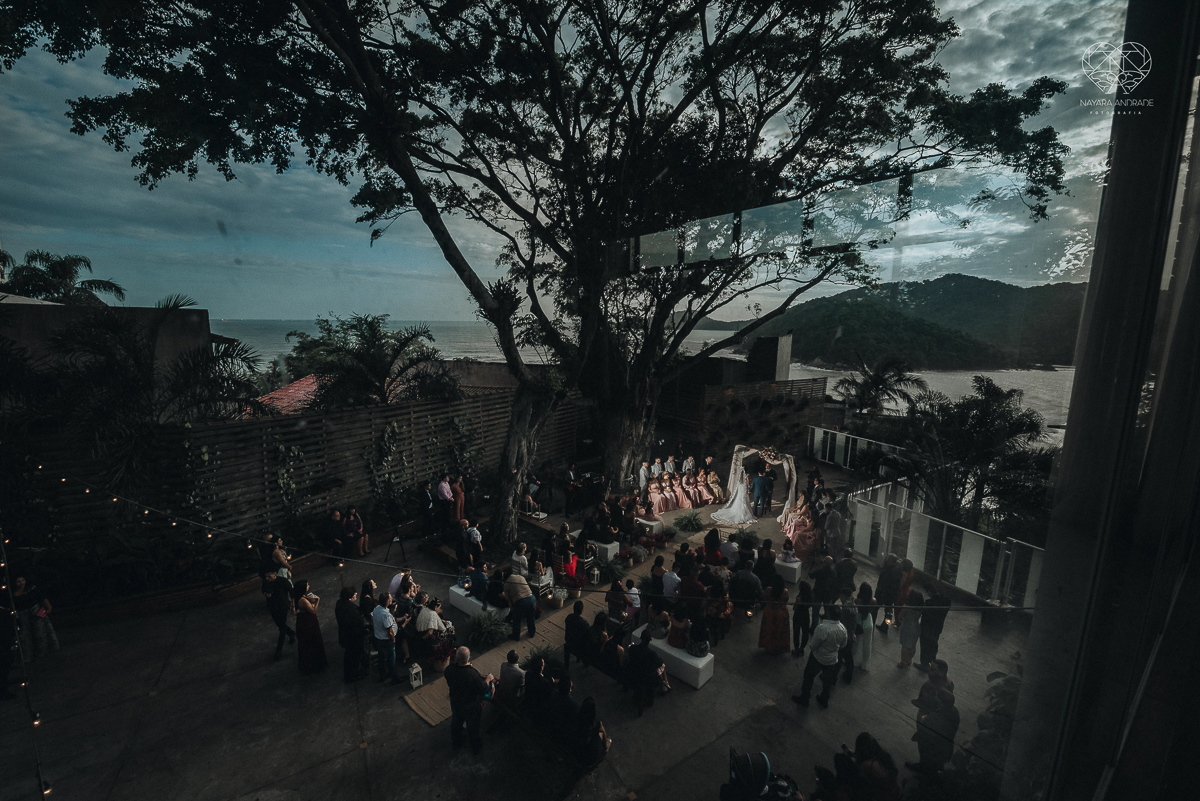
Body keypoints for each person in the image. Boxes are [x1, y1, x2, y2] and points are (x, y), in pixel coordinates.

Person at [792, 605, 848, 708]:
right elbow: (843, 645)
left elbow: (813, 645)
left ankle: (804, 699)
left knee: (808, 677)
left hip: (818, 658)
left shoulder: (822, 628)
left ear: (829, 614)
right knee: (827, 681)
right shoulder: (843, 629)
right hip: (832, 660)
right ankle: (824, 699)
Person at [445, 647, 495, 754]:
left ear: (456, 658)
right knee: (472, 726)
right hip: (471, 706)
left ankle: (457, 742)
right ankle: (475, 746)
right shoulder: (472, 674)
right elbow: (483, 689)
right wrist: (488, 679)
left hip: (456, 702)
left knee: (456, 722)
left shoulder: (449, 670)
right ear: (468, 658)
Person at [909, 688, 960, 774]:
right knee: (935, 761)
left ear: (942, 702)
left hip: (932, 743)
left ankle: (924, 772)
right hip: (945, 744)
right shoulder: (954, 711)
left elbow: (927, 724)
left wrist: (924, 718)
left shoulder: (939, 717)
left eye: (937, 697)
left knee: (928, 758)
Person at [292, 579, 327, 674]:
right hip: (308, 621)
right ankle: (314, 664)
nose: (308, 586)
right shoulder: (303, 600)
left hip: (303, 620)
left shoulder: (298, 597)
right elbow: (312, 611)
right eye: (307, 585)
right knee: (312, 640)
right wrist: (317, 600)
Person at [336, 586, 369, 683]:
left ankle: (351, 673)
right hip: (353, 639)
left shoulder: (340, 604)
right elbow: (357, 626)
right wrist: (365, 630)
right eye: (354, 595)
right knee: (354, 657)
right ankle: (352, 676)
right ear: (349, 598)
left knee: (349, 656)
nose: (356, 595)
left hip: (345, 636)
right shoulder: (351, 611)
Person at [372, 591, 403, 684]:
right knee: (391, 659)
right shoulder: (386, 615)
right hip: (387, 640)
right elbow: (389, 631)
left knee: (381, 657)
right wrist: (393, 639)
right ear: (387, 601)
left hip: (378, 638)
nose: (391, 600)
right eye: (390, 599)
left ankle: (383, 675)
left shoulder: (377, 608)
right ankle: (394, 678)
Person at [263, 570, 295, 660]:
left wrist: (293, 605)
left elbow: (291, 592)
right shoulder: (266, 582)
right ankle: (291, 633)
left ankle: (279, 650)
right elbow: (264, 591)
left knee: (281, 628)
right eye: (266, 576)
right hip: (273, 607)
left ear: (275, 575)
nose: (267, 578)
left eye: (269, 576)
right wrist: (266, 594)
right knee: (280, 624)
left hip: (282, 606)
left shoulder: (283, 581)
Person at [573, 697, 612, 766]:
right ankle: (606, 746)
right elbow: (603, 731)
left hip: (575, 749)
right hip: (587, 756)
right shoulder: (595, 724)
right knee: (601, 735)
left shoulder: (576, 718)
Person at [757, 576, 790, 655]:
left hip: (770, 612)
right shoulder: (785, 591)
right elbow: (786, 600)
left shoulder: (768, 590)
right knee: (780, 630)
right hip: (782, 612)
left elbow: (764, 598)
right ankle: (780, 647)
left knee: (769, 629)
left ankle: (769, 646)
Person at [919, 590, 951, 670]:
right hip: (936, 629)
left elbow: (926, 614)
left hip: (927, 628)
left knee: (925, 646)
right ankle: (932, 663)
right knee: (933, 646)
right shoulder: (945, 606)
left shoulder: (931, 605)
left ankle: (924, 664)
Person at [835, 585, 858, 684]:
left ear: (846, 596)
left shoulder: (845, 608)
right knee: (848, 657)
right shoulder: (854, 605)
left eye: (842, 597)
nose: (840, 598)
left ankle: (833, 676)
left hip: (844, 635)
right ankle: (848, 675)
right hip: (851, 634)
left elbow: (842, 622)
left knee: (839, 657)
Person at [504, 572, 537, 641]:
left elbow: (509, 600)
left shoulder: (506, 584)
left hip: (521, 601)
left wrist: (512, 610)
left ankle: (516, 636)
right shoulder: (520, 577)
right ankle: (532, 632)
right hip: (531, 598)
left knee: (517, 619)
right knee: (531, 616)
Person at [875, 553, 903, 633]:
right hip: (891, 595)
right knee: (888, 611)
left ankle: (872, 622)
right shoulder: (898, 571)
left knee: (875, 608)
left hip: (882, 594)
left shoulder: (886, 569)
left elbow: (881, 582)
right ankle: (885, 625)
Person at [852, 582, 876, 673]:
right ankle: (864, 663)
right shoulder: (873, 600)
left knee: (857, 643)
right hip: (869, 622)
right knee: (867, 643)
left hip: (859, 621)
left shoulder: (857, 601)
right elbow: (871, 611)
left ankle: (856, 660)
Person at [897, 592, 924, 668]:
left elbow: (900, 617)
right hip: (916, 627)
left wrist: (902, 623)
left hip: (906, 627)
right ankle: (909, 660)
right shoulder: (921, 609)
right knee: (912, 646)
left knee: (905, 646)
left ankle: (903, 661)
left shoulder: (906, 607)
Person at [564, 600, 591, 668]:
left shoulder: (569, 617)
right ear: (582, 611)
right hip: (579, 646)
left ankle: (566, 665)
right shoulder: (584, 623)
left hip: (569, 641)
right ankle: (586, 664)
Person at [792, 579, 814, 657]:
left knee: (796, 632)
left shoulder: (799, 598)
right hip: (806, 615)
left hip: (798, 615)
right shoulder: (809, 597)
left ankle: (796, 648)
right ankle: (802, 648)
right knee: (805, 632)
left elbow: (794, 608)